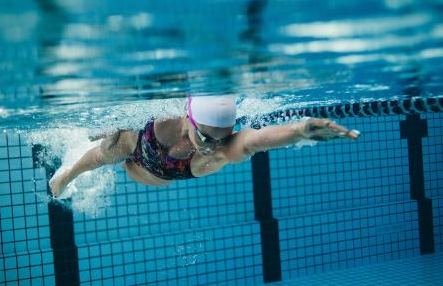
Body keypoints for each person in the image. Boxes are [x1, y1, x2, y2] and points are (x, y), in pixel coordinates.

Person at [49, 96, 359, 197]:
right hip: (142, 145)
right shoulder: (164, 116)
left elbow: (252, 141)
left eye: (224, 137)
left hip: (155, 174)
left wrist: (300, 130)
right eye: (207, 137)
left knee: (131, 170)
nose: (214, 145)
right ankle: (69, 172)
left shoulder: (218, 150)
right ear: (188, 119)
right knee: (112, 148)